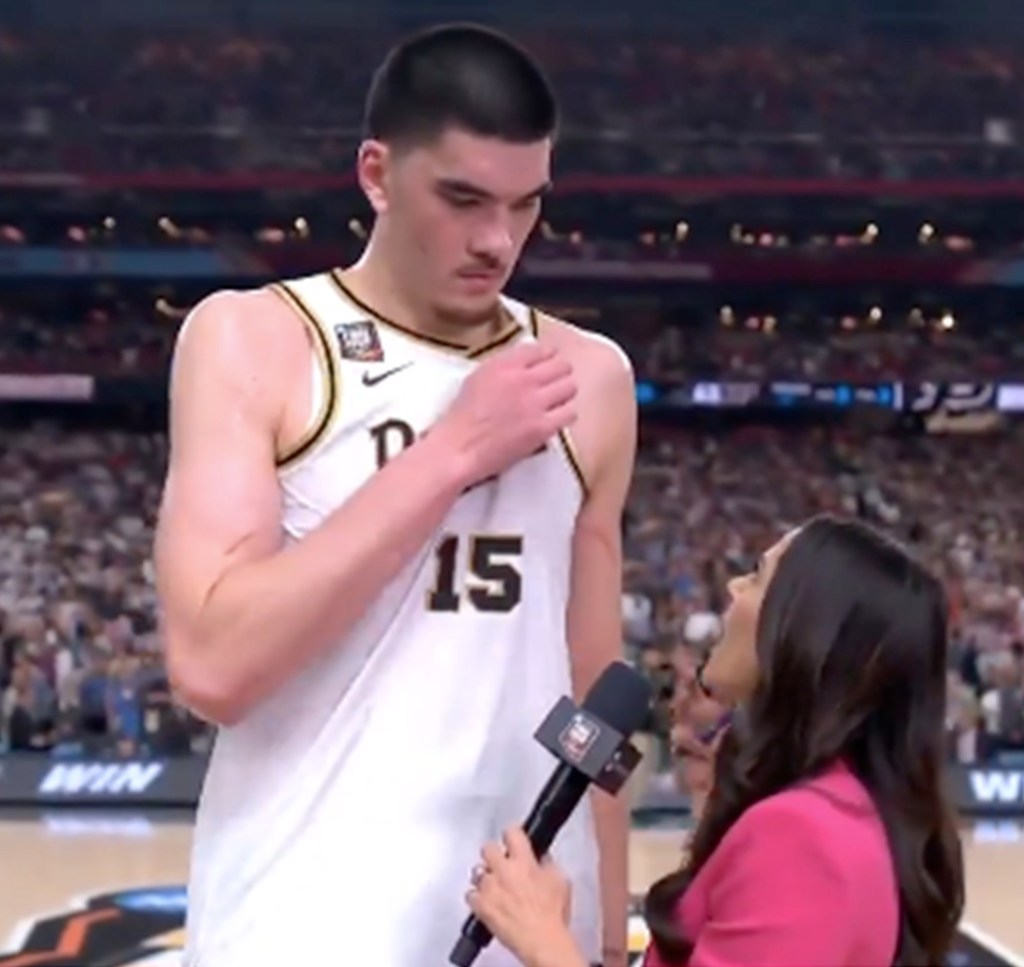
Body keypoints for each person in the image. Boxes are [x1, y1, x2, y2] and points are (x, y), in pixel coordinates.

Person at [154, 22, 635, 967]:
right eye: (461, 198)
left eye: (524, 205)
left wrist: (606, 942)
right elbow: (214, 665)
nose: (497, 239)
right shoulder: (256, 339)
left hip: (523, 926)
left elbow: (596, 709)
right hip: (300, 915)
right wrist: (452, 448)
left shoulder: (593, 378)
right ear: (376, 173)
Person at [463, 515, 966, 967]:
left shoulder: (804, 836)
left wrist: (543, 941)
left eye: (758, 575)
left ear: (804, 628)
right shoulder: (839, 812)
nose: (733, 587)